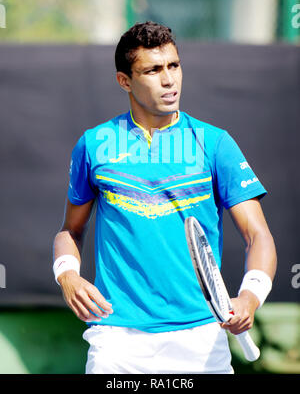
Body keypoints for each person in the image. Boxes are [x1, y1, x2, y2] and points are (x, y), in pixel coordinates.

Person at [52, 21, 277, 374]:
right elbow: (70, 230)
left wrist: (250, 296)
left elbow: (257, 234)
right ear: (124, 81)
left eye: (173, 66)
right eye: (153, 70)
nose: (169, 79)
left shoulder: (215, 143)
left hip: (202, 338)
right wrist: (67, 275)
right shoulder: (93, 144)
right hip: (116, 338)